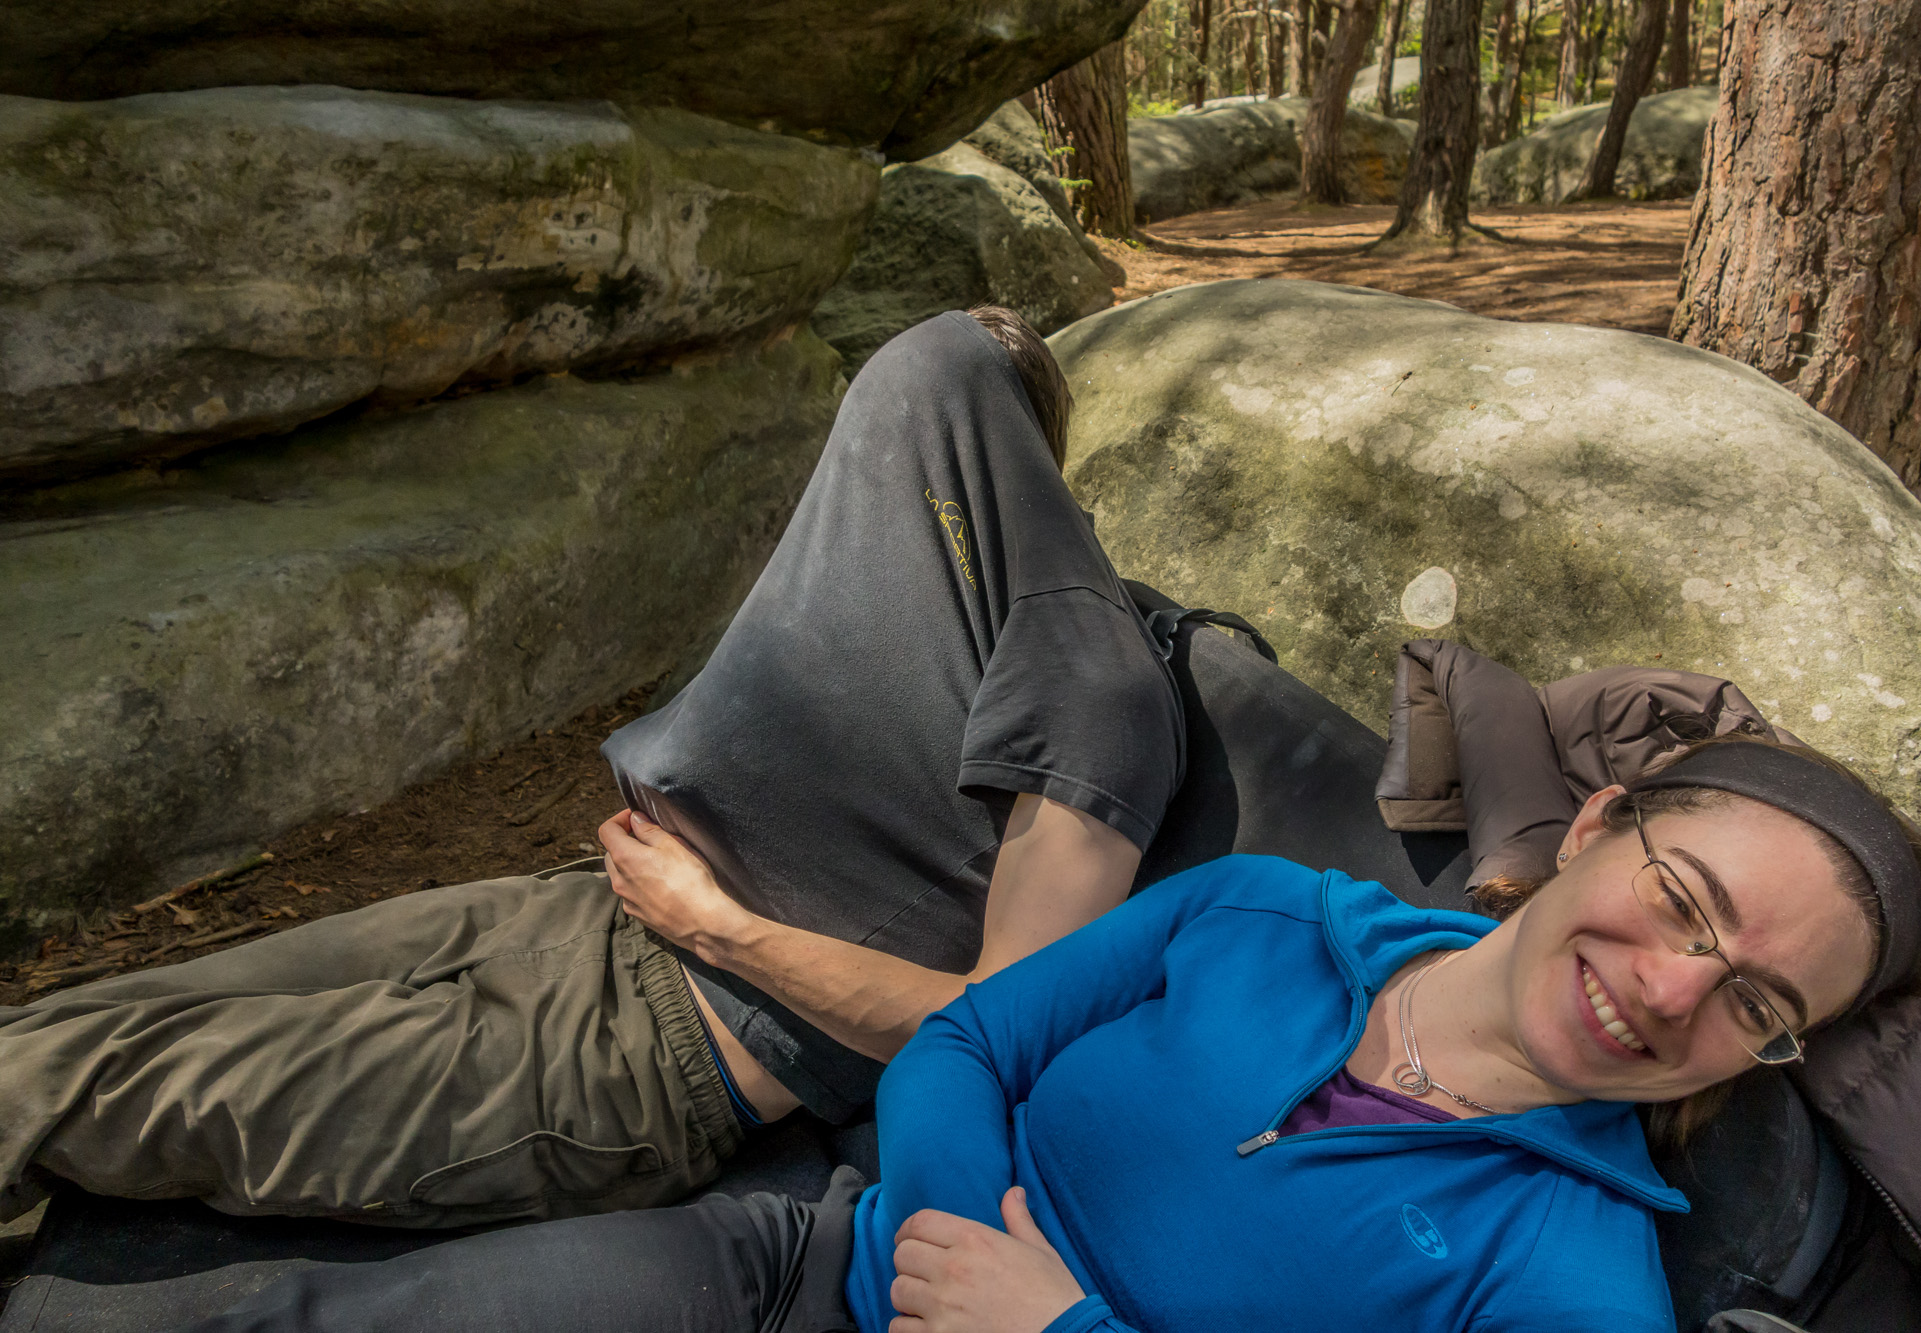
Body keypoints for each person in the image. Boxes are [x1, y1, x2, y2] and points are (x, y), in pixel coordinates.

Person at [0, 308, 1185, 1226]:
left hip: (646, 1053)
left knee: (88, 1080)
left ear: (982, 450)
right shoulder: (949, 604)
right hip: (571, 921)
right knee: (77, 1022)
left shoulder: (1096, 692)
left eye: (897, 428)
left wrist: (718, 926)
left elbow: (999, 1029)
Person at [171, 731, 1921, 1332]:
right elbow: (962, 1051)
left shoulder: (1576, 1278)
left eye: (1759, 1006)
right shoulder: (1267, 907)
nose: (1673, 990)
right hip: (810, 1276)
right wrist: (955, 1264)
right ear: (1602, 820)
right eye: (1691, 904)